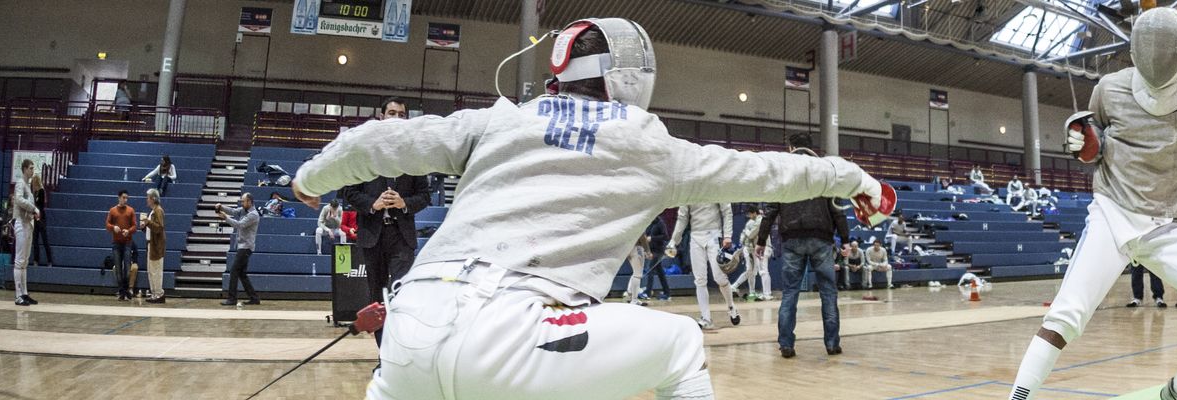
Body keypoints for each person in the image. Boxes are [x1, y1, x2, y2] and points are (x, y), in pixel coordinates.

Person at [289, 17, 891, 399]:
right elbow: (771, 172)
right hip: (513, 337)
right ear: (631, 77)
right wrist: (854, 177)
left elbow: (380, 142)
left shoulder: (504, 119)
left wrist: (311, 178)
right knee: (680, 346)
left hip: (410, 328)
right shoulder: (650, 145)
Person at [1007, 8, 1177, 399]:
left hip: (1165, 227)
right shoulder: (1110, 88)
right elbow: (1094, 141)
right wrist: (1081, 142)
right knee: (1066, 315)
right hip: (1112, 215)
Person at [755, 133, 856, 359]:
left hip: (791, 238)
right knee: (829, 293)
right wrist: (846, 240)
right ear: (812, 148)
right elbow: (837, 209)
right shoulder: (825, 169)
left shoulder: (783, 170)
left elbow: (771, 209)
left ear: (791, 147)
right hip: (822, 238)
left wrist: (761, 240)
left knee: (790, 293)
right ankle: (832, 344)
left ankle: (786, 345)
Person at [340, 167, 431, 346]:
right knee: (377, 296)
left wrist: (404, 202)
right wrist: (373, 204)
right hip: (372, 236)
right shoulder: (365, 159)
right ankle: (384, 353)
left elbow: (424, 196)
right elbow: (349, 192)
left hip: (401, 236)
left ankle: (401, 347)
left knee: (400, 292)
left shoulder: (414, 161)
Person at [667, 201, 740, 328]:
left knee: (719, 277)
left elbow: (727, 211)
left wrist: (727, 235)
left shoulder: (715, 186)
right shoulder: (689, 191)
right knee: (700, 279)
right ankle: (706, 318)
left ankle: (731, 306)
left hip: (714, 235)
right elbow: (682, 217)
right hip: (695, 237)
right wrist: (673, 241)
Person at [217, 193, 261, 306]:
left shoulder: (253, 215)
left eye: (243, 201)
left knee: (234, 271)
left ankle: (232, 299)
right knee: (242, 274)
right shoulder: (244, 210)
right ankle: (254, 298)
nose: (242, 203)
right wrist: (222, 207)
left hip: (246, 247)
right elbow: (233, 211)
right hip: (244, 247)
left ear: (250, 202)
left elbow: (239, 225)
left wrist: (225, 217)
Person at [11, 160, 41, 306]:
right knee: (19, 261)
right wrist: (34, 209)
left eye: (33, 168)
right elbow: (18, 200)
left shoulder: (28, 186)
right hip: (20, 224)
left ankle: (24, 293)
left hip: (28, 224)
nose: (32, 170)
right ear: (24, 169)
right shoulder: (20, 183)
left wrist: (33, 213)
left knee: (24, 262)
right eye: (30, 168)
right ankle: (18, 296)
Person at [730, 206, 772, 301]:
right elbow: (745, 239)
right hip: (755, 249)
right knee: (753, 271)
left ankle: (766, 294)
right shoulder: (754, 221)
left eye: (749, 214)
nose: (748, 216)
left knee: (760, 271)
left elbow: (751, 235)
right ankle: (757, 292)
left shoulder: (759, 220)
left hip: (761, 248)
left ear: (754, 213)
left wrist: (746, 232)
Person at [106, 190, 140, 301]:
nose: (126, 200)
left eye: (127, 198)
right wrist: (113, 228)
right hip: (116, 243)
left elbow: (135, 226)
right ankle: (122, 290)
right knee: (118, 268)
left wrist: (128, 231)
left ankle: (124, 290)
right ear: (119, 198)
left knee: (127, 268)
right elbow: (107, 224)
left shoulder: (130, 210)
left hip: (127, 242)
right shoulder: (112, 210)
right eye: (124, 197)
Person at [141, 189, 168, 303]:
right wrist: (144, 227)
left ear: (153, 199)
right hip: (151, 243)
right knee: (151, 270)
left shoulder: (158, 210)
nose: (147, 200)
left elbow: (159, 228)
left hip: (156, 245)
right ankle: (154, 293)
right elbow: (153, 228)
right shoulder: (153, 211)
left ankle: (158, 293)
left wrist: (148, 222)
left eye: (148, 198)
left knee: (156, 270)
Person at [27, 164, 52, 268]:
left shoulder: (41, 191)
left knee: (45, 239)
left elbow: (40, 205)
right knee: (35, 240)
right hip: (34, 218)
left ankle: (49, 260)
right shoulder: (33, 193)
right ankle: (36, 260)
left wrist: (37, 214)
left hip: (41, 218)